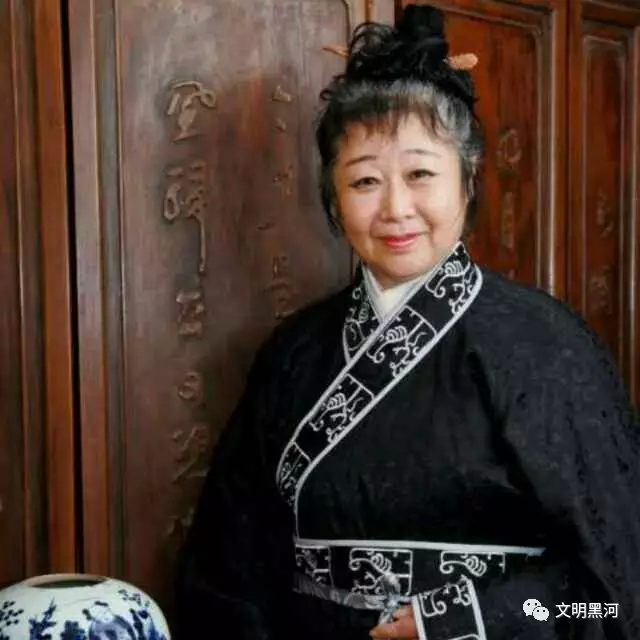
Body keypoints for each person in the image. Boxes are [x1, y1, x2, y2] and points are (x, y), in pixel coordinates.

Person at [174, 4, 640, 639]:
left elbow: (611, 603)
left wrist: (467, 617)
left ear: (466, 182)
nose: (396, 208)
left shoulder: (547, 349)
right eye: (365, 181)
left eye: (421, 174)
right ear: (333, 200)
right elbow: (225, 576)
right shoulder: (291, 356)